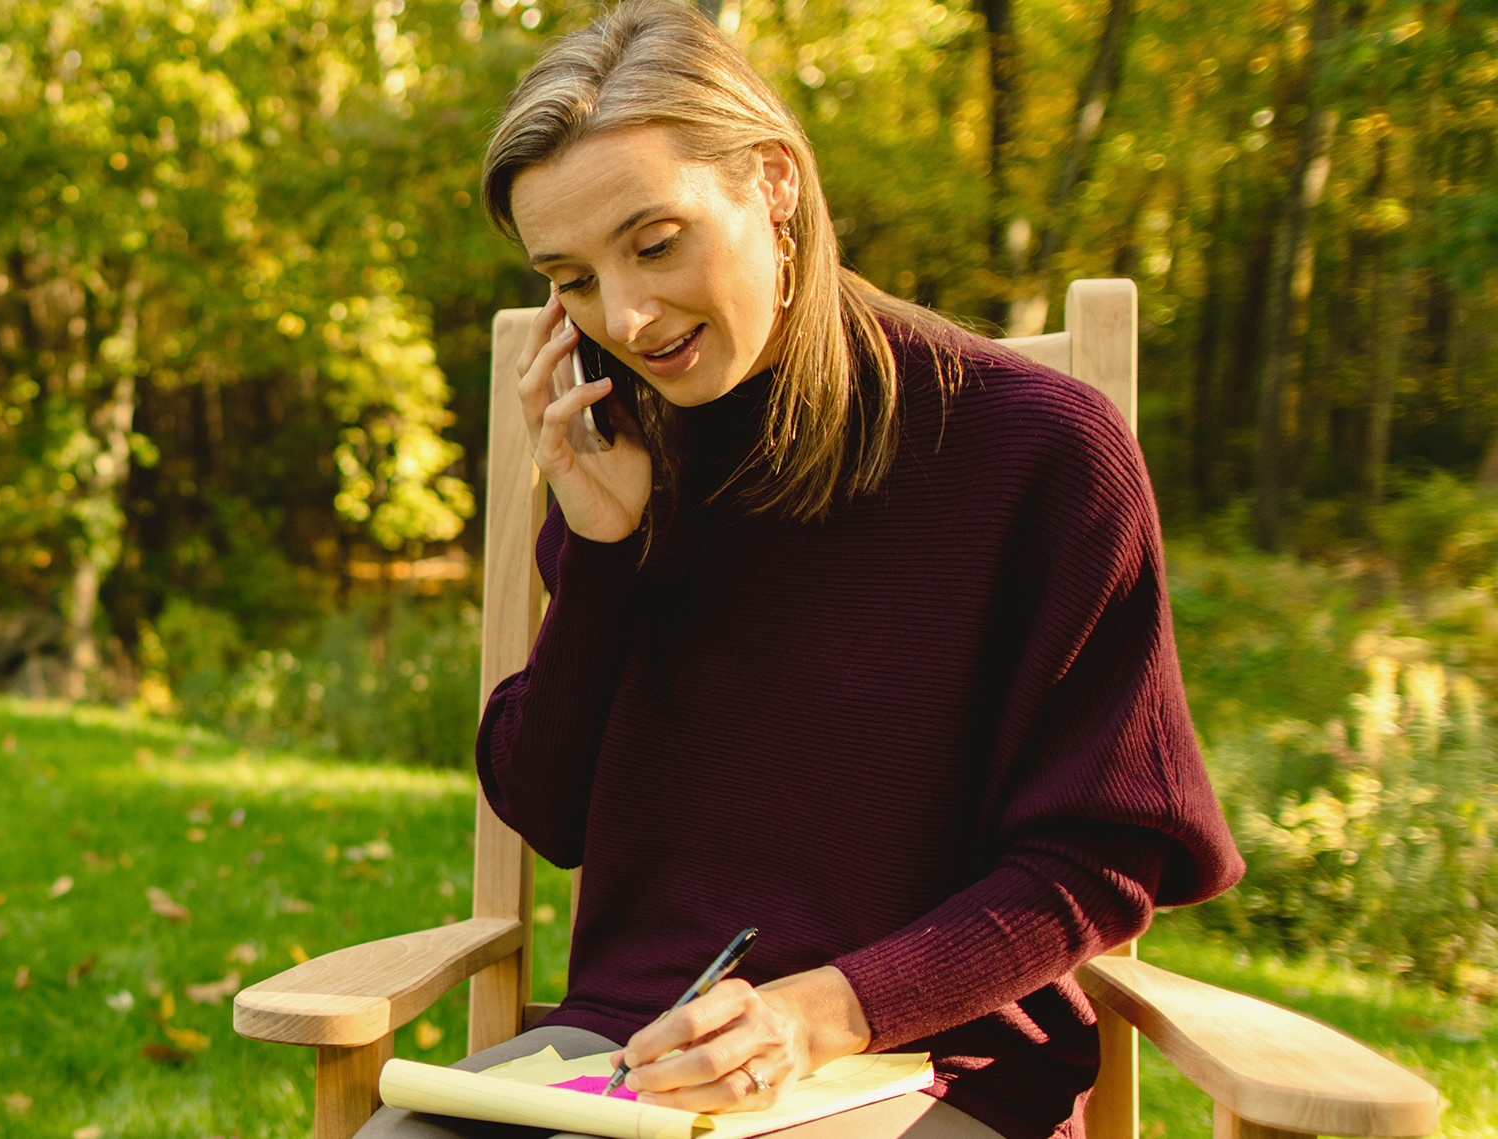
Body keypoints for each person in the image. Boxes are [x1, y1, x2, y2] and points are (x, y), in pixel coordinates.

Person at [355, 3, 1243, 1139]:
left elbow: (1102, 856)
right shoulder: (624, 451)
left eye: (655, 241)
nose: (623, 316)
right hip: (624, 1062)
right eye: (571, 279)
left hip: (934, 1066)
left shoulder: (1040, 450)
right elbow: (547, 811)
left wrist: (819, 1013)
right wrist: (603, 549)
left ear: (772, 183)